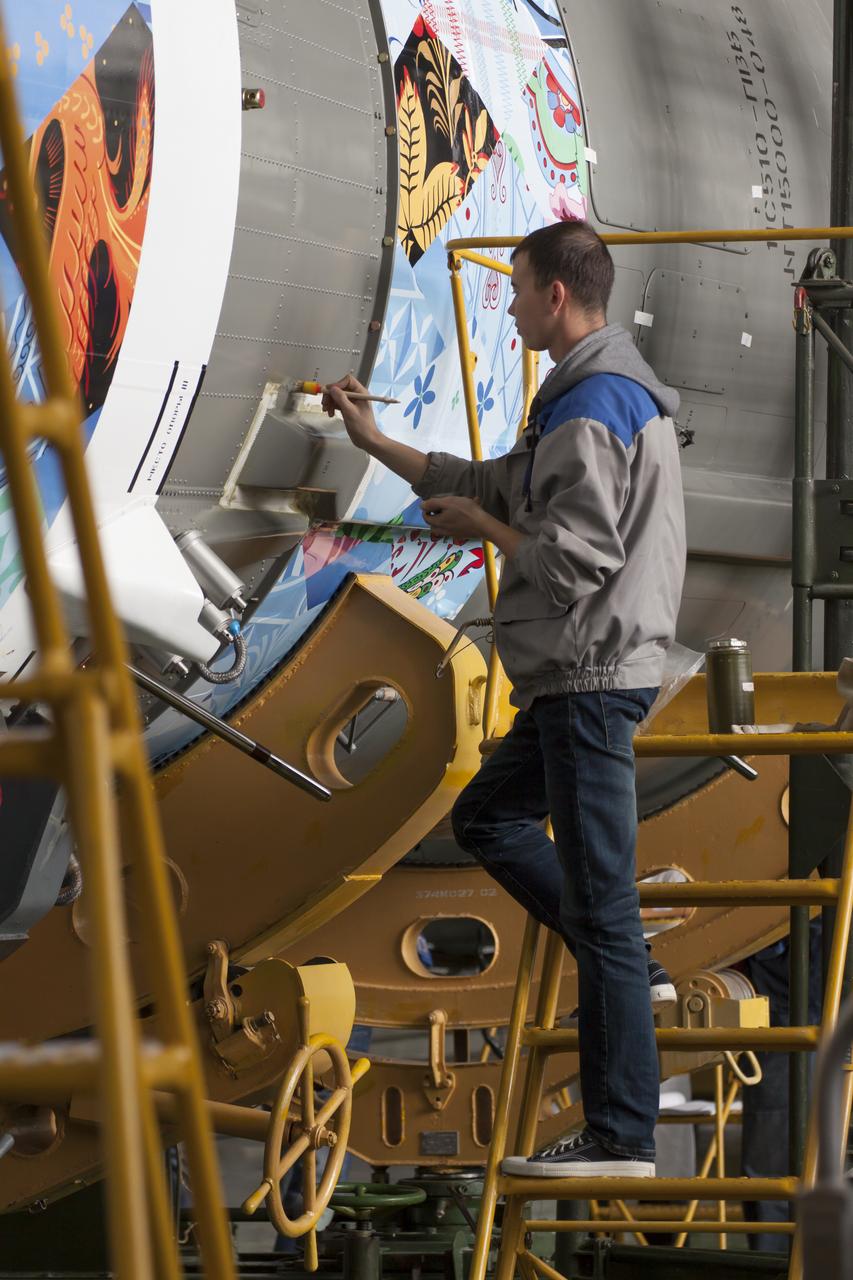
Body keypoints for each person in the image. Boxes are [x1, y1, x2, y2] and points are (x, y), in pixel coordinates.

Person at [324, 220, 686, 1178]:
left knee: (601, 910)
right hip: (578, 680)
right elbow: (490, 484)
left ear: (556, 296)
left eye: (518, 288)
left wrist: (484, 527)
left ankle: (621, 1136)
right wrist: (377, 443)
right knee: (488, 818)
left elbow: (570, 562)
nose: (511, 304)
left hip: (587, 683)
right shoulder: (593, 395)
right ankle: (633, 971)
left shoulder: (590, 406)